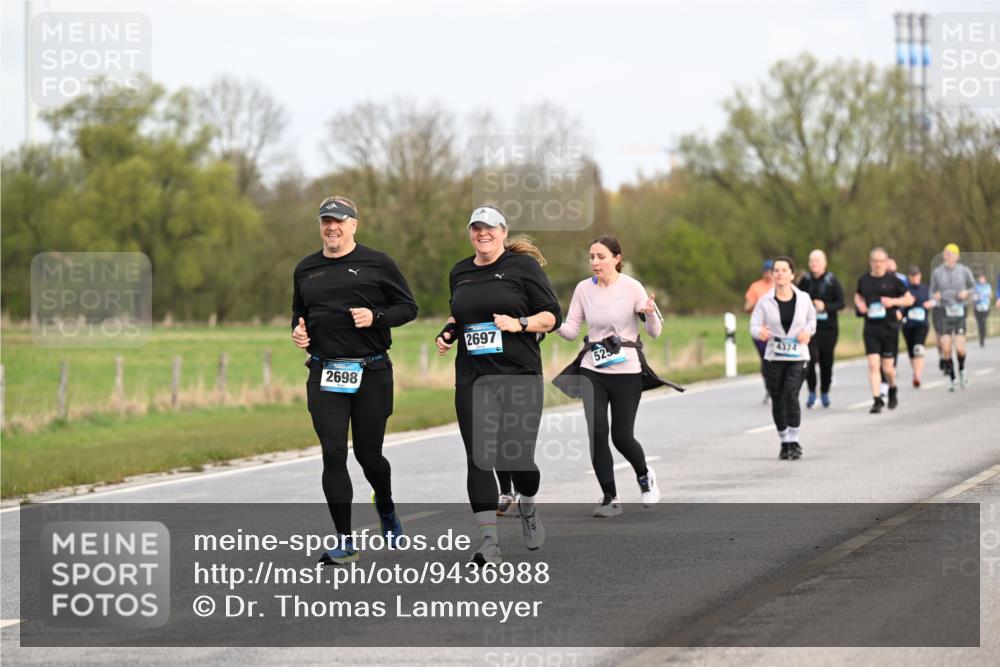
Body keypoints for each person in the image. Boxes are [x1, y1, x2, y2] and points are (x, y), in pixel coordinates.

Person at [292, 196, 418, 565]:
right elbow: (299, 311)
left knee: (368, 455)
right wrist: (297, 332)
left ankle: (387, 506)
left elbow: (408, 308)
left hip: (371, 371)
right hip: (325, 371)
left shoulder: (377, 263)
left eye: (339, 221)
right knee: (333, 453)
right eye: (326, 221)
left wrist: (376, 316)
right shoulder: (305, 268)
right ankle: (345, 541)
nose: (332, 227)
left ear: (354, 225)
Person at [436, 205, 561, 566]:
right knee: (479, 458)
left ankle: (528, 504)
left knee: (517, 458)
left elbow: (552, 316)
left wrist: (519, 323)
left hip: (518, 374)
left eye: (489, 228)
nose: (482, 234)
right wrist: (448, 333)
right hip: (473, 378)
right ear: (470, 233)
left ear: (503, 232)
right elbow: (458, 315)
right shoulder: (459, 271)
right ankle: (489, 541)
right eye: (476, 228)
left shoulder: (523, 267)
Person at [555, 235, 663, 517]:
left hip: (627, 370)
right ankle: (610, 498)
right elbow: (570, 332)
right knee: (597, 432)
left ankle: (644, 474)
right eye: (591, 257)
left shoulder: (632, 287)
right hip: (593, 369)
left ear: (617, 258)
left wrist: (649, 314)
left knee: (622, 436)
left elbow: (655, 331)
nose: (595, 262)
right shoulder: (583, 289)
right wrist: (551, 321)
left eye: (601, 256)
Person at [749, 256, 817, 460]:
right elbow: (754, 325)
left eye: (784, 270)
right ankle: (784, 441)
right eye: (776, 270)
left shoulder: (804, 298)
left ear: (791, 275)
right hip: (774, 356)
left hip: (798, 355)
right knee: (778, 398)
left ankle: (795, 440)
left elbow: (811, 321)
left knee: (790, 393)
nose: (779, 273)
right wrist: (759, 332)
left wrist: (807, 331)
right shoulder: (765, 300)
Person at [854, 247, 914, 413]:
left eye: (881, 261)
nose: (878, 264)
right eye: (875, 261)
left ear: (886, 262)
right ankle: (877, 399)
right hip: (871, 328)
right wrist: (860, 304)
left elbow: (909, 300)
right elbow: (858, 295)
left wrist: (894, 302)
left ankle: (892, 387)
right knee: (873, 364)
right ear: (870, 262)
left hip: (889, 328)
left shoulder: (894, 281)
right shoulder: (864, 279)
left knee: (887, 367)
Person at [796, 249, 844, 408]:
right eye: (811, 261)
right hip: (809, 328)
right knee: (808, 359)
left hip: (828, 328)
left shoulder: (832, 280)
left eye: (817, 261)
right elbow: (796, 301)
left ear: (824, 263)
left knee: (826, 361)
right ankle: (811, 392)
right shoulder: (805, 281)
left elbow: (841, 303)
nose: (813, 264)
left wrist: (825, 306)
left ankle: (824, 391)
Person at [930, 243, 976, 390]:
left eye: (949, 253)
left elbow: (974, 288)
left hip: (960, 312)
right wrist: (935, 296)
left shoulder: (964, 271)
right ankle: (952, 379)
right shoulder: (937, 272)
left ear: (957, 256)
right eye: (945, 253)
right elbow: (931, 292)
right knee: (946, 349)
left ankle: (962, 370)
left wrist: (966, 293)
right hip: (944, 311)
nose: (946, 255)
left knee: (960, 348)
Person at [745, 260, 775, 404]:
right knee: (766, 359)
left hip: (776, 330)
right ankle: (769, 388)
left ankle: (777, 387)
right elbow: (747, 307)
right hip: (760, 330)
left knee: (776, 360)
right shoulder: (755, 287)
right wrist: (754, 305)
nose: (768, 274)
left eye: (771, 271)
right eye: (766, 271)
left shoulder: (779, 286)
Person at [901, 266, 935, 388]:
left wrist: (929, 304)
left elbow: (934, 301)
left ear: (919, 276)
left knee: (918, 348)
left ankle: (917, 375)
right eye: (912, 275)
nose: (914, 277)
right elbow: (900, 304)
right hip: (908, 324)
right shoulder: (905, 289)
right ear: (909, 276)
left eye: (916, 275)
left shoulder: (926, 288)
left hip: (922, 324)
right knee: (911, 351)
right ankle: (915, 371)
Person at [973, 273, 993, 348]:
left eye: (983, 278)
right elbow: (972, 296)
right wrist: (977, 297)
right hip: (977, 307)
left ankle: (982, 338)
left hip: (985, 307)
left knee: (983, 323)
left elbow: (990, 296)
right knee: (980, 323)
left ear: (985, 279)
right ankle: (981, 337)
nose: (981, 279)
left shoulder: (988, 286)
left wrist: (987, 297)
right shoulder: (976, 287)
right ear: (979, 279)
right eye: (980, 278)